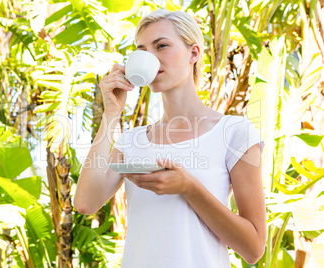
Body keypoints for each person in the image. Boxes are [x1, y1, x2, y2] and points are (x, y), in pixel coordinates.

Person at [74, 9, 266, 267]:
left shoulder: (235, 133)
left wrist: (188, 187)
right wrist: (111, 114)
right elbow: (85, 203)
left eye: (161, 46)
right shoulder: (132, 141)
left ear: (194, 53)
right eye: (142, 51)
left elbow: (253, 249)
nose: (150, 58)